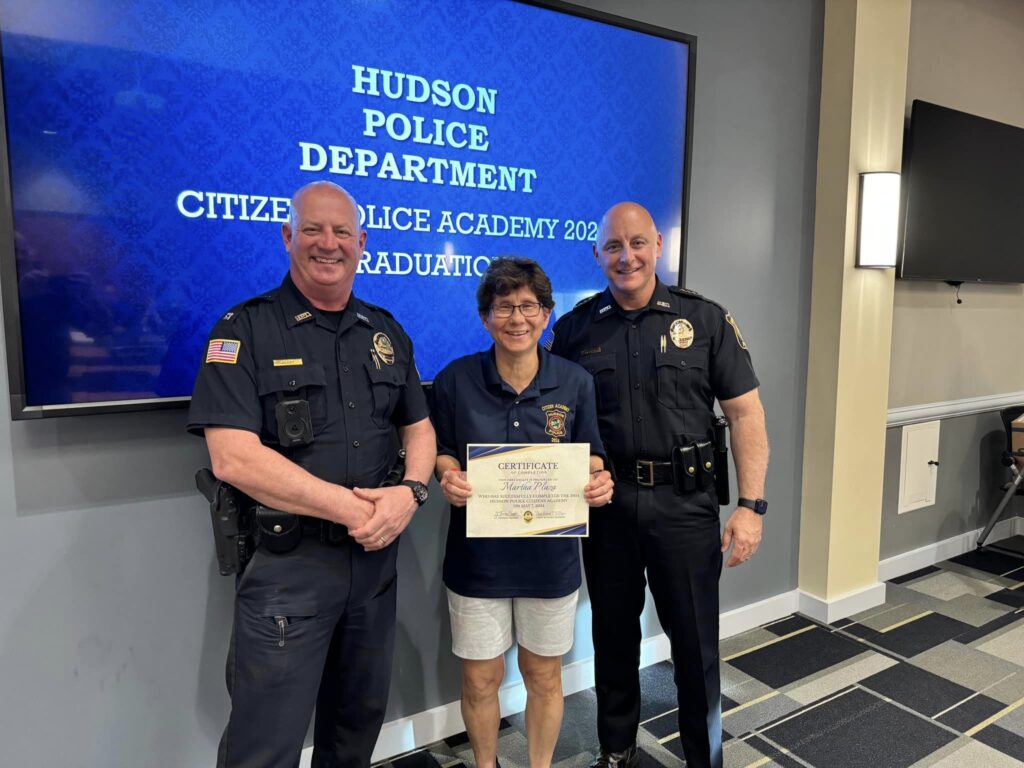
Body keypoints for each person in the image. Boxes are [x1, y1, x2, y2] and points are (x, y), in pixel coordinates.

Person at [187, 181, 436, 767]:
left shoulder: (385, 330)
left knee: (355, 730)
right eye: (314, 230)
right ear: (288, 236)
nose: (329, 244)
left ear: (362, 242)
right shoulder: (242, 330)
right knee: (264, 745)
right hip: (289, 572)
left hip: (374, 569)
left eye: (342, 232)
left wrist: (412, 493)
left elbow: (418, 430)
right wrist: (353, 510)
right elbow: (233, 457)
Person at [550, 203, 769, 768]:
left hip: (685, 505)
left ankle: (705, 758)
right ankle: (617, 749)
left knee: (695, 645)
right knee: (613, 638)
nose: (627, 256)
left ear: (658, 247)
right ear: (596, 254)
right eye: (614, 246)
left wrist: (751, 507)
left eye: (638, 243)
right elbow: (557, 416)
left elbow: (746, 416)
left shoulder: (705, 320)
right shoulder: (575, 330)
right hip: (609, 507)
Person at [431, 257, 614, 768]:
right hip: (477, 562)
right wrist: (448, 474)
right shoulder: (454, 379)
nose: (517, 319)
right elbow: (441, 450)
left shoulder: (575, 382)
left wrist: (597, 480)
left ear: (547, 313)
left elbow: (591, 451)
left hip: (550, 559)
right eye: (503, 307)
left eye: (528, 306)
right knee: (480, 679)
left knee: (544, 675)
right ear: (485, 316)